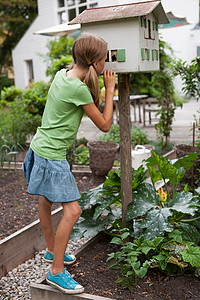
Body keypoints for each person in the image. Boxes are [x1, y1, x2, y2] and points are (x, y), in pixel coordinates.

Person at [22, 33, 116, 294]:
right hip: (51, 155)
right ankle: (56, 272)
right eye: (104, 58)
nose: (107, 63)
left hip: (39, 147)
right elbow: (105, 125)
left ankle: (53, 252)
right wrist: (110, 91)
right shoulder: (79, 88)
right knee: (73, 211)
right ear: (95, 62)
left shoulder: (63, 74)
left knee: (45, 200)